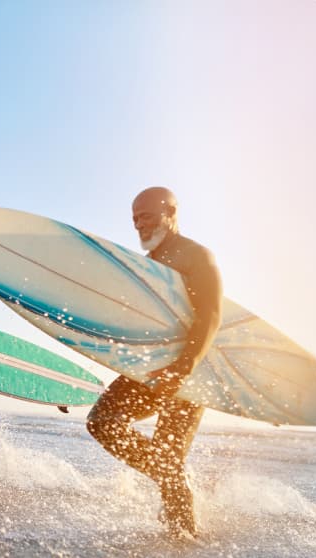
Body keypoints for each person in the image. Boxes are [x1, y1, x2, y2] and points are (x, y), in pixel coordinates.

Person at [86, 187, 223, 538]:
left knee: (168, 455)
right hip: (148, 369)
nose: (138, 225)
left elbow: (210, 315)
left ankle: (183, 538)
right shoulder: (148, 264)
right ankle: (174, 480)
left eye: (145, 216)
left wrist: (183, 368)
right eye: (134, 219)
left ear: (170, 210)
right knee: (102, 422)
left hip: (188, 375)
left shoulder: (196, 256)